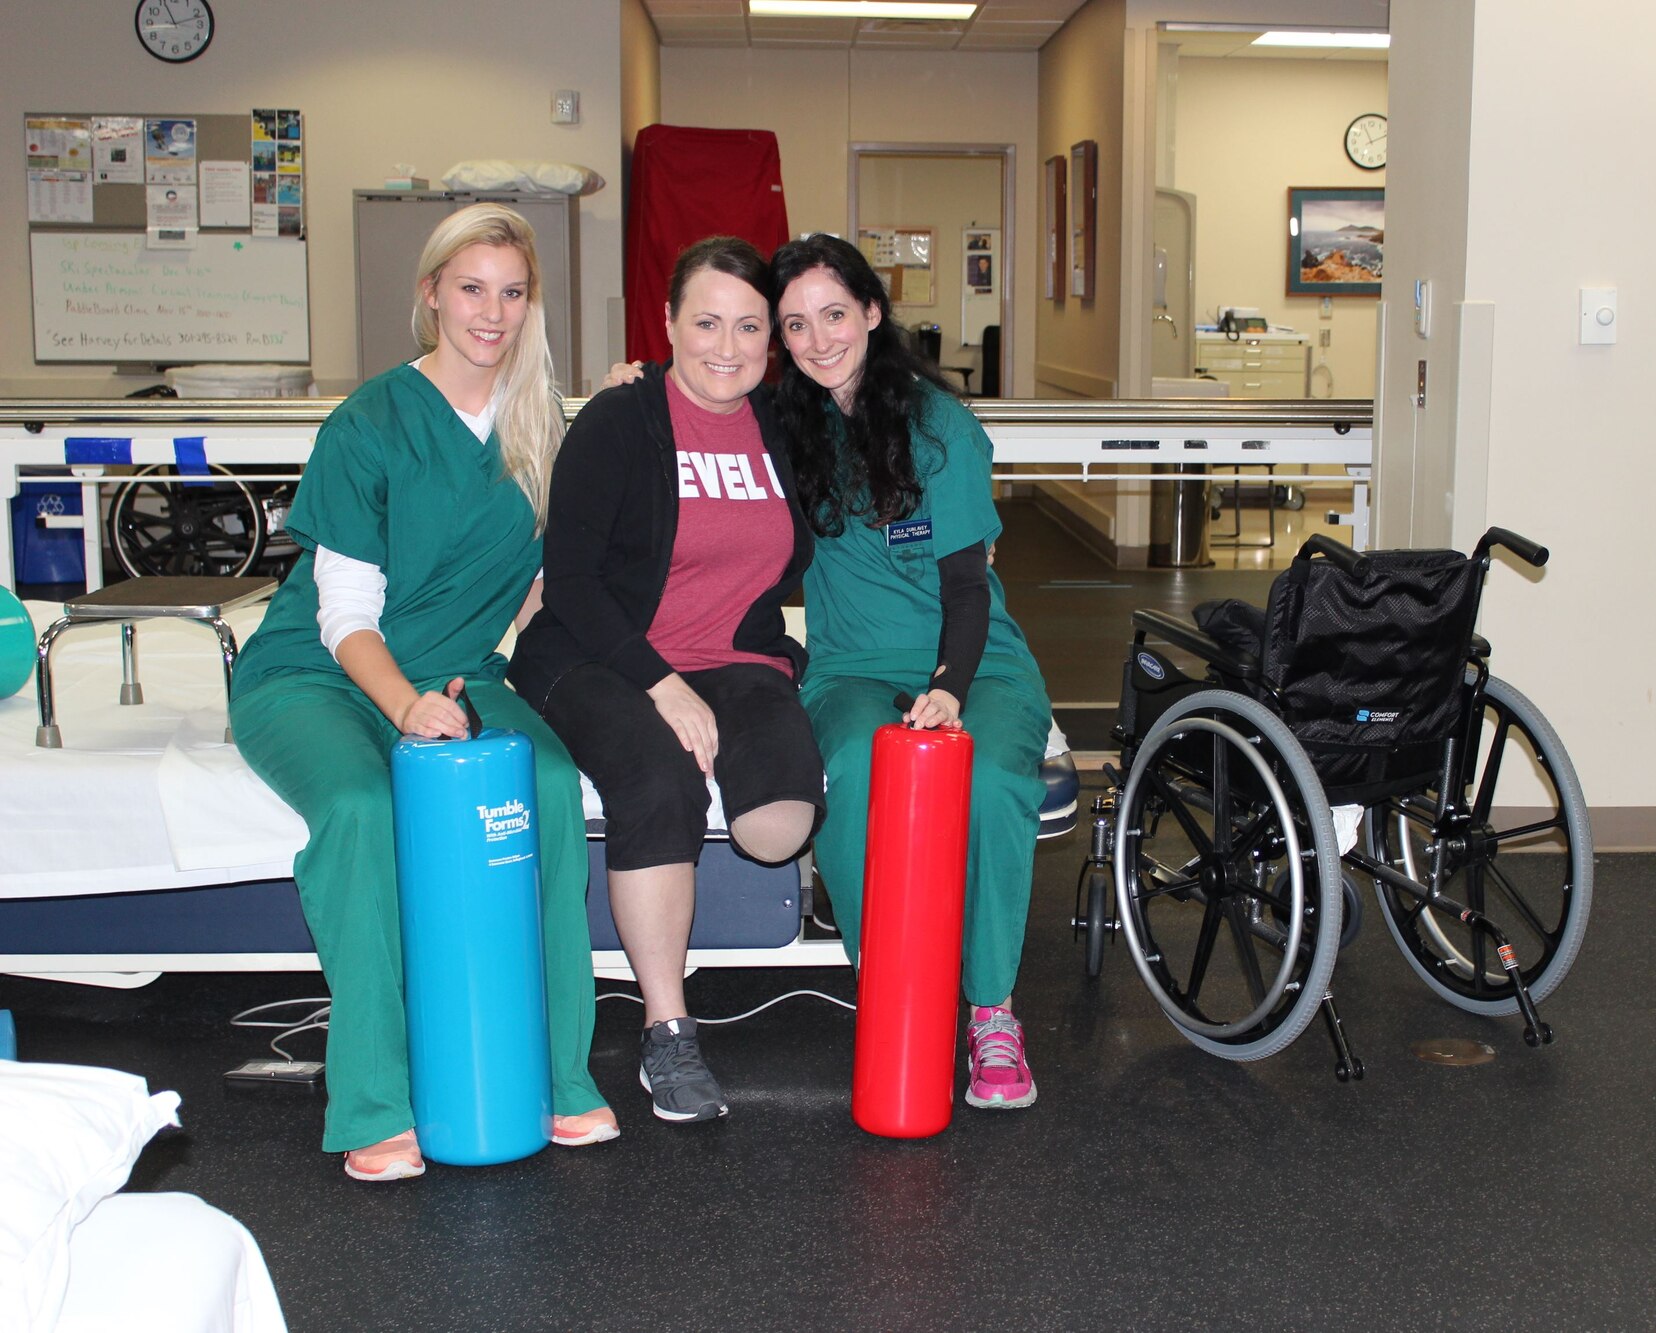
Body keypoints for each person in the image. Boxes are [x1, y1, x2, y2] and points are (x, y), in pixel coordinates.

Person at [230, 204, 616, 1180]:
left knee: (551, 789)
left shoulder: (540, 429)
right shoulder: (370, 422)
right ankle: (371, 1097)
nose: (492, 311)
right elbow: (343, 613)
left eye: (513, 292)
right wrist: (405, 708)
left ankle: (558, 1075)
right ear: (431, 293)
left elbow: (545, 573)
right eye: (472, 287)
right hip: (319, 676)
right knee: (362, 810)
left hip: (458, 672)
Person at [510, 237, 822, 1126]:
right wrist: (659, 682)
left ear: (774, 338)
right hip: (597, 649)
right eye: (706, 322)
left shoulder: (783, 425)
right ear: (669, 326)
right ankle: (667, 1026)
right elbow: (570, 580)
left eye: (749, 325)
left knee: (776, 824)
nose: (726, 345)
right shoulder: (621, 419)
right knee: (658, 774)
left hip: (736, 652)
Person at [772, 232, 1052, 1110]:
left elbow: (968, 586)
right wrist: (639, 382)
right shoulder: (783, 422)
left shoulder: (940, 427)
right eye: (794, 325)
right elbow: (688, 407)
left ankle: (991, 1007)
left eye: (834, 315)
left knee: (996, 778)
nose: (818, 340)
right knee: (854, 771)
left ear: (872, 313)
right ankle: (897, 986)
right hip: (851, 669)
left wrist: (951, 690)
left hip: (975, 659)